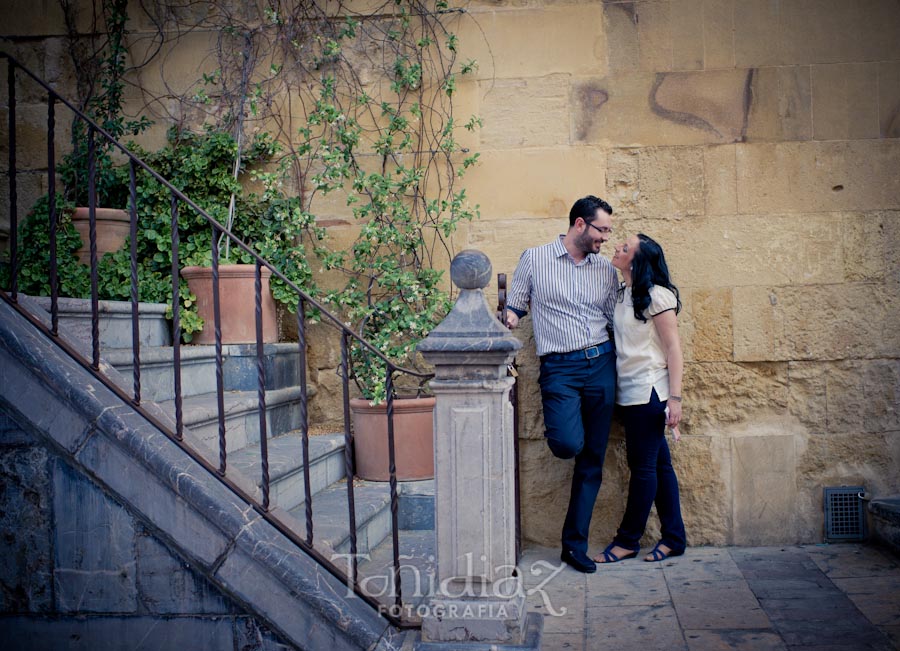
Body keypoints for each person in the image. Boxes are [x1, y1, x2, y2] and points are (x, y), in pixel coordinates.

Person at [506, 195, 618, 574]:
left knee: (592, 463)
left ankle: (573, 546)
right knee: (568, 443)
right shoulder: (535, 259)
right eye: (602, 229)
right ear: (580, 224)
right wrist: (506, 318)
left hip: (601, 363)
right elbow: (516, 305)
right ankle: (575, 434)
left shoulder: (605, 270)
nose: (605, 237)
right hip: (560, 369)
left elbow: (613, 319)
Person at [594, 233, 686, 564]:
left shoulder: (657, 297)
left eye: (624, 248)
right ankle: (674, 538)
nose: (616, 249)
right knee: (660, 466)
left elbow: (674, 349)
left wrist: (674, 399)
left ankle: (628, 540)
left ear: (637, 260)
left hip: (650, 393)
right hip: (629, 392)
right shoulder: (623, 294)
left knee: (644, 468)